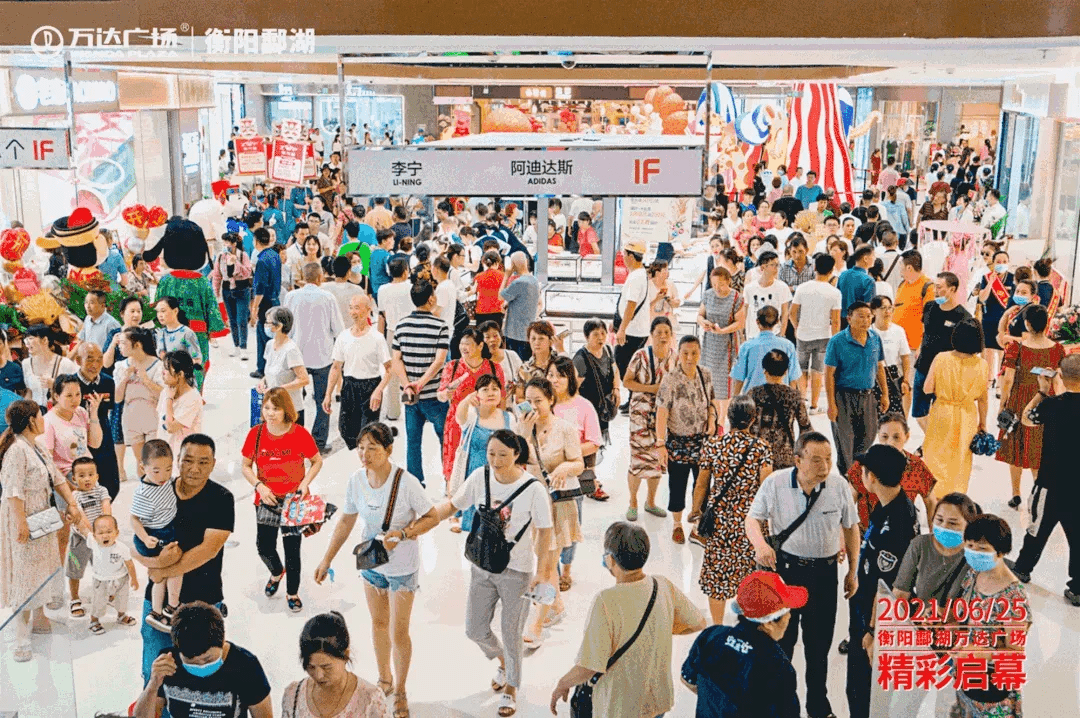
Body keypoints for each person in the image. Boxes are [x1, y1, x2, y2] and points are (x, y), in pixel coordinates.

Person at [427, 429, 556, 718]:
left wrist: (543, 572)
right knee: (475, 628)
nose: (496, 460)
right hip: (482, 565)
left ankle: (511, 687)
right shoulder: (479, 477)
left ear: (517, 455)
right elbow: (454, 505)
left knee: (512, 634)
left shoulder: (532, 488)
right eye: (491, 453)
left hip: (518, 570)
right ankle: (504, 662)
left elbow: (546, 531)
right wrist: (426, 518)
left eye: (503, 454)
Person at [314, 423, 436, 717]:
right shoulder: (357, 480)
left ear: (388, 450)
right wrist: (326, 559)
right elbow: (346, 521)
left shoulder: (406, 482)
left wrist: (405, 534)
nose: (365, 454)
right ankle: (384, 678)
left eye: (373, 448)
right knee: (378, 624)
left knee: (398, 631)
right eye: (361, 448)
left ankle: (402, 690)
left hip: (402, 566)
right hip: (372, 562)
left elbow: (432, 516)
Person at [745, 431, 861, 718]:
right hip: (786, 573)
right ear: (797, 460)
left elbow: (851, 527)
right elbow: (752, 518)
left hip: (824, 576)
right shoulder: (776, 483)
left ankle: (818, 706)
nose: (825, 466)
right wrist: (760, 545)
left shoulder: (838, 486)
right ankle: (781, 704)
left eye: (829, 459)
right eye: (817, 459)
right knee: (781, 644)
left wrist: (853, 570)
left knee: (819, 646)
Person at [549, 522, 706, 718]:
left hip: (621, 706)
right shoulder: (662, 585)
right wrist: (659, 627)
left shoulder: (606, 601)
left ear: (610, 559)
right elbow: (698, 622)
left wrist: (562, 684)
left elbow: (590, 665)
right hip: (656, 698)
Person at [135, 434, 234, 683]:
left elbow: (208, 550)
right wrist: (155, 565)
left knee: (202, 674)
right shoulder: (157, 490)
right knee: (155, 672)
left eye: (203, 462)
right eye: (188, 460)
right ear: (177, 461)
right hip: (158, 603)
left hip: (204, 601)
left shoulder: (221, 499)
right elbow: (134, 544)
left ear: (213, 464)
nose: (195, 468)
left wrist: (164, 571)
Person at [885, 491, 979, 715]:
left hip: (957, 649)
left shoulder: (977, 557)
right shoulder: (921, 545)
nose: (944, 527)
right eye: (939, 520)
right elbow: (900, 593)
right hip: (921, 642)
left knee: (947, 709)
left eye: (953, 523)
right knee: (903, 706)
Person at [845, 444, 917, 718]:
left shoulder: (896, 521)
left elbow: (887, 586)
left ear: (871, 476)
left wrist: (872, 632)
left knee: (863, 689)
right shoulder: (891, 506)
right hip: (865, 608)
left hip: (874, 617)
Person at [0, 400, 74, 662]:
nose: (44, 419)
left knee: (43, 568)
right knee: (25, 574)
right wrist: (20, 522)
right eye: (41, 415)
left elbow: (57, 478)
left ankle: (41, 619)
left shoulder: (38, 447)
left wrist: (73, 503)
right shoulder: (16, 450)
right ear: (31, 420)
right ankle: (21, 637)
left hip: (42, 517)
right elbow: (13, 491)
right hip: (24, 519)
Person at [689, 396, 773, 622]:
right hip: (750, 522)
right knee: (749, 574)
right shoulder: (761, 448)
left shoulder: (713, 445)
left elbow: (702, 483)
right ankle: (746, 624)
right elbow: (766, 487)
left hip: (720, 522)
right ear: (753, 419)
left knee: (718, 576)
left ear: (728, 418)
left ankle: (717, 626)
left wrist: (696, 510)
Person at [241, 388, 322, 613]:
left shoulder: (299, 433)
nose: (270, 413)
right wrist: (259, 485)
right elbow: (246, 466)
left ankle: (292, 592)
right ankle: (277, 572)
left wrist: (304, 483)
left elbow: (316, 461)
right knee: (264, 546)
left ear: (286, 409)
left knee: (292, 550)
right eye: (266, 408)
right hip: (266, 498)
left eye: (276, 408)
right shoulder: (256, 434)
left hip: (293, 501)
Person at [680, 570, 803, 718]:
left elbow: (688, 680)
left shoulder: (711, 636)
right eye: (787, 612)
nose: (789, 617)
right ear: (769, 622)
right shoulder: (778, 665)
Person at [517, 377, 584, 645]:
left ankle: (536, 623)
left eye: (539, 401)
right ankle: (556, 606)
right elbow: (515, 462)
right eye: (529, 401)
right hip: (534, 503)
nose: (533, 407)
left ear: (551, 400)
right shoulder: (523, 427)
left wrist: (563, 468)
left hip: (558, 503)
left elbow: (579, 462)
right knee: (544, 559)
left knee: (544, 565)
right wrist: (523, 433)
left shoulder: (565, 428)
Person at [1012, 353, 1080, 604]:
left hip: (1050, 484)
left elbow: (1026, 419)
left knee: (1037, 530)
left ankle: (1022, 568)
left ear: (1059, 376)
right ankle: (1077, 588)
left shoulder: (1052, 405)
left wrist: (1042, 391)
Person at [950, 515, 1030, 717]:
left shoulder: (1013, 596)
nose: (974, 553)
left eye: (983, 549)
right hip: (967, 673)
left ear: (1001, 551)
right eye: (970, 546)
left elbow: (1016, 652)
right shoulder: (974, 573)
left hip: (993, 686)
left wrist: (983, 653)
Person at [135, 601, 273, 718]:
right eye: (191, 661)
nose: (201, 664)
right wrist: (152, 685)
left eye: (208, 659)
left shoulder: (245, 666)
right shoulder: (168, 663)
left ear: (222, 640)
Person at [994, 303, 1063, 507]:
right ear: (1047, 323)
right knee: (1039, 447)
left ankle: (1016, 493)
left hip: (1019, 399)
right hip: (1045, 399)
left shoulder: (1017, 347)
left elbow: (1008, 378)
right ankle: (1038, 490)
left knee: (1016, 445)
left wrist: (1003, 404)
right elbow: (1058, 380)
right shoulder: (1057, 349)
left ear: (1026, 324)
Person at [547, 356, 603, 588]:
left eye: (560, 375)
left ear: (570, 378)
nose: (555, 380)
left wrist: (567, 453)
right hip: (545, 475)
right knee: (546, 523)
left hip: (573, 476)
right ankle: (551, 569)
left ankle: (566, 570)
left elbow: (594, 442)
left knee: (570, 524)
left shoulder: (583, 406)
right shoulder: (544, 404)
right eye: (551, 375)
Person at [656, 335, 717, 544]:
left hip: (702, 441)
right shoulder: (670, 378)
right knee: (677, 483)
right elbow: (662, 411)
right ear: (679, 353)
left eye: (694, 353)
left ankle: (697, 524)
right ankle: (677, 524)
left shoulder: (706, 374)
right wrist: (660, 443)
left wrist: (712, 419)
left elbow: (711, 401)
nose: (690, 358)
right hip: (677, 442)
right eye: (685, 353)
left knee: (702, 483)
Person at [391, 281, 450, 487]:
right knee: (445, 439)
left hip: (410, 396)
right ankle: (449, 480)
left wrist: (408, 384)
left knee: (413, 443)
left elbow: (396, 359)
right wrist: (422, 383)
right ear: (431, 299)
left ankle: (415, 484)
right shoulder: (440, 326)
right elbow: (440, 360)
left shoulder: (401, 325)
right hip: (434, 395)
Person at [922, 318, 989, 496]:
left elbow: (927, 388)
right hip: (967, 414)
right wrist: (983, 423)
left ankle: (935, 496)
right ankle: (955, 497)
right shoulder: (982, 365)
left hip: (942, 411)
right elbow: (982, 398)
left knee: (936, 456)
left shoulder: (941, 358)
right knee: (960, 460)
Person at [283, 263, 346, 452]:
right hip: (323, 357)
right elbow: (338, 329)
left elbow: (285, 326)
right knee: (323, 400)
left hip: (296, 356)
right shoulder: (328, 297)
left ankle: (296, 438)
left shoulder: (290, 297)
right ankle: (318, 442)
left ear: (303, 276)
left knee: (295, 400)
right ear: (320, 278)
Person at [281, 612, 391, 718]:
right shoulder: (293, 694)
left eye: (326, 667)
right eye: (311, 667)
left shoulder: (370, 699)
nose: (319, 675)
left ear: (346, 655)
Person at [825, 302, 888, 476]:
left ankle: (858, 473)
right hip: (843, 397)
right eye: (861, 316)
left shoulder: (875, 339)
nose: (866, 320)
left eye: (869, 316)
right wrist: (831, 404)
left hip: (868, 397)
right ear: (849, 318)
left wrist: (885, 394)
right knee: (845, 441)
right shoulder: (837, 342)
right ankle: (849, 479)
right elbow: (829, 374)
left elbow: (879, 367)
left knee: (868, 437)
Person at [448, 373, 517, 534]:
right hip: (474, 476)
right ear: (477, 394)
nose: (491, 393)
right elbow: (459, 417)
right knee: (474, 529)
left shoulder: (510, 418)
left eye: (495, 389)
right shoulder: (472, 415)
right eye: (485, 389)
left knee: (498, 526)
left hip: (500, 478)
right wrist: (466, 400)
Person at [623, 317, 677, 521]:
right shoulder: (641, 355)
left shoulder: (675, 357)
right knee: (637, 460)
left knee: (657, 461)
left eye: (666, 332)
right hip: (640, 415)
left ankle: (651, 502)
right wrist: (651, 389)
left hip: (663, 418)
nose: (663, 336)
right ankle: (632, 502)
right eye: (659, 332)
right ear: (651, 334)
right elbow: (627, 382)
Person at [437, 328, 504, 491]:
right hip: (457, 422)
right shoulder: (452, 367)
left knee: (483, 459)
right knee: (455, 459)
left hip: (485, 422)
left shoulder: (494, 368)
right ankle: (452, 499)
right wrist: (446, 394)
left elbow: (502, 398)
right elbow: (440, 394)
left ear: (480, 346)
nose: (463, 348)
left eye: (468, 344)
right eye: (461, 344)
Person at [324, 293, 392, 451]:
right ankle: (361, 459)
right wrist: (328, 394)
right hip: (349, 386)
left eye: (357, 308)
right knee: (345, 429)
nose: (353, 312)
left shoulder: (377, 338)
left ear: (368, 310)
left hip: (370, 386)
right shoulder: (343, 337)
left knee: (367, 434)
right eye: (351, 308)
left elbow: (389, 369)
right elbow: (335, 367)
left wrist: (379, 390)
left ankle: (368, 465)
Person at [846, 412, 937, 529]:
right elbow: (848, 502)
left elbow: (931, 502)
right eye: (884, 437)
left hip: (904, 533)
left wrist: (932, 537)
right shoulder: (863, 465)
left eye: (896, 437)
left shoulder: (916, 466)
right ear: (878, 436)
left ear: (907, 437)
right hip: (867, 535)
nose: (890, 443)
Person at [131, 440, 183, 633]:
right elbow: (134, 520)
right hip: (154, 534)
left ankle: (159, 611)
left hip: (168, 528)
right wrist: (145, 537)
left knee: (166, 574)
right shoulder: (143, 493)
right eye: (156, 471)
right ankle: (168, 608)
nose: (163, 476)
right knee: (172, 570)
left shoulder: (168, 481)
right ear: (143, 467)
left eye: (168, 469)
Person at [912, 272, 971, 433]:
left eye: (939, 287)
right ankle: (933, 441)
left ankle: (935, 445)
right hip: (923, 367)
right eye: (935, 287)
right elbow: (925, 331)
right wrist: (919, 347)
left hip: (946, 373)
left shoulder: (963, 317)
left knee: (942, 414)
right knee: (919, 413)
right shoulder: (930, 307)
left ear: (952, 289)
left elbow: (966, 351)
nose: (935, 291)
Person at [791, 254, 840, 414]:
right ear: (832, 270)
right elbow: (836, 320)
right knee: (818, 370)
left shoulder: (802, 288)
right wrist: (836, 341)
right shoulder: (834, 293)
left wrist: (797, 327)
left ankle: (803, 400)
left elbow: (792, 313)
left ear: (814, 267)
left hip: (803, 334)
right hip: (824, 336)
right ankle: (814, 405)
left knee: (802, 369)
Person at [114, 327, 164, 479]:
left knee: (154, 460)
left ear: (137, 345)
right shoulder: (121, 366)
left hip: (152, 415)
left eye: (123, 343)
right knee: (140, 460)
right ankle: (145, 491)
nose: (119, 346)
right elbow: (117, 398)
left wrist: (145, 379)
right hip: (131, 417)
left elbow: (163, 394)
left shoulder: (158, 365)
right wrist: (124, 378)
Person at [73, 342, 121, 499]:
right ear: (78, 360)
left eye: (99, 359)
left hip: (103, 433)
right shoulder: (71, 384)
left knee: (111, 482)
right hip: (79, 436)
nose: (95, 365)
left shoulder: (108, 382)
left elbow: (108, 410)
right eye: (90, 359)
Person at [749, 350, 810, 471]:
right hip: (785, 457)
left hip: (758, 455)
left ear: (764, 370)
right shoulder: (794, 396)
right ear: (786, 372)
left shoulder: (754, 394)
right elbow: (805, 427)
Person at [698, 266, 746, 418]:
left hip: (728, 344)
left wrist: (723, 331)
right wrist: (704, 322)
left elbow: (740, 323)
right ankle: (711, 415)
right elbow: (699, 315)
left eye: (721, 284)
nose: (717, 288)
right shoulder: (708, 295)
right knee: (708, 380)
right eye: (714, 285)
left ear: (729, 281)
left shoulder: (737, 298)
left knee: (726, 384)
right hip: (710, 343)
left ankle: (722, 418)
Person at [84, 514, 139, 635]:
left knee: (122, 598)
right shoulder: (93, 542)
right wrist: (75, 518)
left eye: (109, 531)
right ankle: (94, 620)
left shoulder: (121, 547)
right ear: (94, 535)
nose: (105, 535)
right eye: (101, 533)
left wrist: (134, 579)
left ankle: (121, 615)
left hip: (120, 578)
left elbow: (129, 564)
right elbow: (83, 529)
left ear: (116, 533)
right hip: (101, 579)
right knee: (99, 600)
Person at [257, 305, 311, 426]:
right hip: (272, 408)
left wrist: (279, 389)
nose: (265, 325)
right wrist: (263, 381)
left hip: (289, 410)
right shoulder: (270, 345)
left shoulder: (291, 350)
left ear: (279, 326)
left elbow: (304, 379)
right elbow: (271, 371)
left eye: (268, 323)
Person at [730, 306, 801, 395]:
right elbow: (793, 378)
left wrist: (735, 400)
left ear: (757, 322)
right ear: (777, 322)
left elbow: (739, 378)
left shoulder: (747, 346)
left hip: (753, 399)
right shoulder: (788, 346)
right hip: (780, 398)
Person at [615, 240, 651, 411]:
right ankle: (632, 398)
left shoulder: (636, 277)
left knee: (624, 363)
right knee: (631, 364)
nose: (623, 257)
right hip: (637, 329)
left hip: (633, 331)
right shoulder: (640, 274)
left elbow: (631, 304)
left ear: (631, 256)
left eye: (624, 254)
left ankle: (636, 396)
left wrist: (622, 329)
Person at [573, 318, 619, 444]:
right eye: (596, 334)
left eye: (603, 333)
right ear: (586, 336)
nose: (601, 338)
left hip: (603, 406)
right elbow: (574, 388)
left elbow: (615, 371)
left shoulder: (608, 350)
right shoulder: (580, 358)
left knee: (598, 442)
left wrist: (616, 389)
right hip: (588, 408)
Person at [378, 257, 413, 422]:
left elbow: (382, 315)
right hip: (411, 331)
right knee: (410, 371)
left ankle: (393, 411)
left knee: (391, 372)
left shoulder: (383, 290)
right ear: (406, 271)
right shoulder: (412, 288)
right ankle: (410, 403)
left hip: (392, 332)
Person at [209, 232, 253, 358]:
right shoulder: (221, 257)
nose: (226, 245)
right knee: (232, 319)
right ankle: (236, 346)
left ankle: (244, 346)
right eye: (224, 243)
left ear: (234, 244)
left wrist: (236, 263)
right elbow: (217, 275)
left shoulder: (242, 255)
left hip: (242, 288)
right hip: (227, 289)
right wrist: (215, 292)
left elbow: (247, 272)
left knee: (242, 319)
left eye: (228, 242)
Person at [156, 350, 202, 466]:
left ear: (180, 374)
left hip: (183, 458)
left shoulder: (192, 397)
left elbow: (171, 427)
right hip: (165, 455)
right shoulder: (166, 392)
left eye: (167, 369)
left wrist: (169, 401)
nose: (163, 373)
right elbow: (160, 424)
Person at [870, 294, 911, 422]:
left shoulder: (898, 331)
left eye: (890, 308)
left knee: (895, 417)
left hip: (892, 375)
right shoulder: (869, 331)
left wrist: (906, 380)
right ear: (874, 311)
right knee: (874, 418)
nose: (887, 312)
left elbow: (905, 357)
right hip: (872, 375)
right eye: (883, 308)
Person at [250, 226, 283, 378]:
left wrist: (255, 307)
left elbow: (260, 287)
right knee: (273, 333)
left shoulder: (262, 260)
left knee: (263, 336)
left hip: (265, 302)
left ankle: (263, 368)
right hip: (275, 299)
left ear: (256, 241)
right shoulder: (275, 255)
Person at [978, 249, 1015, 380]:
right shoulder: (986, 277)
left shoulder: (1013, 278)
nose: (1002, 263)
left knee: (1002, 351)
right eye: (999, 261)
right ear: (993, 263)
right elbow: (982, 298)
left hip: (1005, 320)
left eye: (1004, 261)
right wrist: (990, 283)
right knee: (988, 351)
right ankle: (988, 379)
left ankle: (1000, 381)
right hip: (989, 319)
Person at [154, 296, 204, 391]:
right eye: (158, 311)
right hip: (166, 381)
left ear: (175, 311)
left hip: (184, 382)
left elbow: (197, 359)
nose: (160, 315)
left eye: (163, 311)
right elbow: (161, 355)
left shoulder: (187, 333)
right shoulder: (160, 333)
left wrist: (180, 366)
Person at [22, 323, 78, 408]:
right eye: (26, 339)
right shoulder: (25, 364)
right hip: (35, 414)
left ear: (45, 340)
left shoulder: (65, 364)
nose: (27, 343)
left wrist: (56, 385)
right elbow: (29, 392)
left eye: (31, 338)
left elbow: (77, 390)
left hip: (59, 414)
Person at [500, 252, 541, 361]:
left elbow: (500, 295)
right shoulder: (534, 281)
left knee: (514, 364)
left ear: (513, 264)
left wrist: (506, 275)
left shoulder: (518, 283)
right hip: (527, 331)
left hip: (515, 332)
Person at [742, 251, 792, 341]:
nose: (776, 268)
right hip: (753, 335)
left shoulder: (782, 287)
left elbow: (785, 313)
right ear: (763, 267)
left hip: (775, 334)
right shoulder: (750, 288)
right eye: (773, 265)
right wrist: (743, 334)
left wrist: (782, 334)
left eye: (778, 265)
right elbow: (745, 312)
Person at [77, 289, 122, 353]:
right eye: (86, 302)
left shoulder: (111, 324)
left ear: (102, 306)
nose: (87, 306)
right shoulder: (87, 319)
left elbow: (116, 349)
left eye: (91, 303)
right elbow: (81, 340)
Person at [473, 250, 506, 329]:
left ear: (484, 262)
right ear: (498, 262)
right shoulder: (503, 276)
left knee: (481, 335)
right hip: (498, 310)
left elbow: (475, 291)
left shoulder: (478, 276)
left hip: (481, 310)